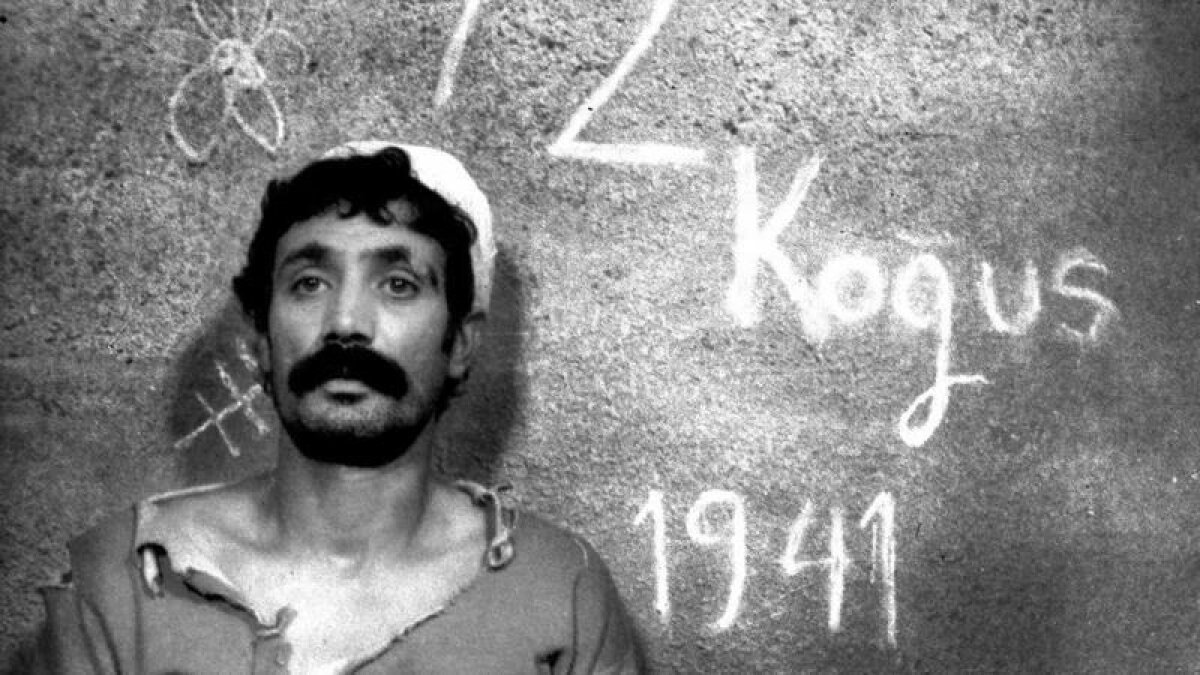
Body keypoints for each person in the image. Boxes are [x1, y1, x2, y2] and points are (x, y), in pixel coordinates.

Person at [33, 141, 645, 674]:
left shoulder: (559, 592)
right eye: (309, 283)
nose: (346, 322)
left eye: (398, 284)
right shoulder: (120, 589)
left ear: (460, 343)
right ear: (262, 338)